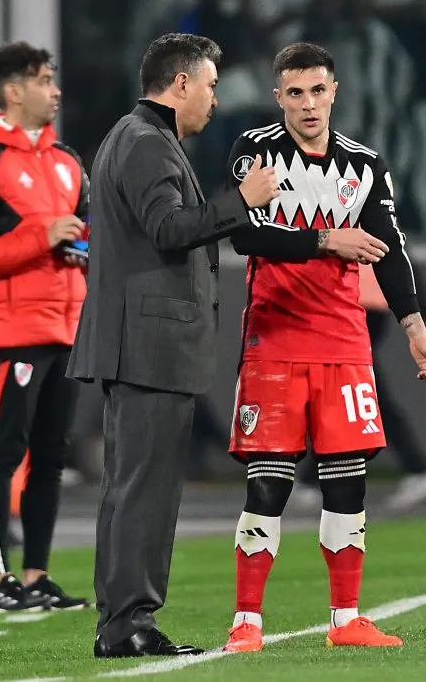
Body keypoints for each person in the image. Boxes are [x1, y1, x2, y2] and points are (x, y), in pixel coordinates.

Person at [220, 42, 426, 654]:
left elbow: (391, 250)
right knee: (268, 483)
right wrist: (325, 241)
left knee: (347, 481)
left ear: (334, 92)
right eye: (295, 93)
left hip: (345, 343)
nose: (308, 104)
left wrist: (415, 330)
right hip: (274, 338)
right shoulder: (254, 152)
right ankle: (247, 621)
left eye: (317, 91)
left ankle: (346, 618)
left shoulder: (364, 165)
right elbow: (243, 234)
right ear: (279, 98)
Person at [65, 33, 280, 659]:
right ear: (180, 83)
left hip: (146, 343)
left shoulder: (138, 139)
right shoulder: (143, 142)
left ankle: (124, 619)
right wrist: (243, 202)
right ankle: (127, 621)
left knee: (138, 487)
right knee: (143, 490)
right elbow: (168, 228)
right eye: (209, 85)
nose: (214, 99)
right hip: (149, 344)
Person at [0, 41, 90, 613]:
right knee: (4, 454)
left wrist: (80, 246)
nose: (55, 90)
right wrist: (43, 237)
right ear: (13, 91)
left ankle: (35, 576)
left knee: (51, 459)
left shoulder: (67, 161)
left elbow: (82, 234)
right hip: (14, 330)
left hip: (65, 326)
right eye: (45, 80)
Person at [359, 263, 426, 510]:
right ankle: (313, 478)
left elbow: (401, 256)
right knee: (349, 388)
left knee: (361, 390)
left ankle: (419, 469)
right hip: (361, 301)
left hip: (356, 302)